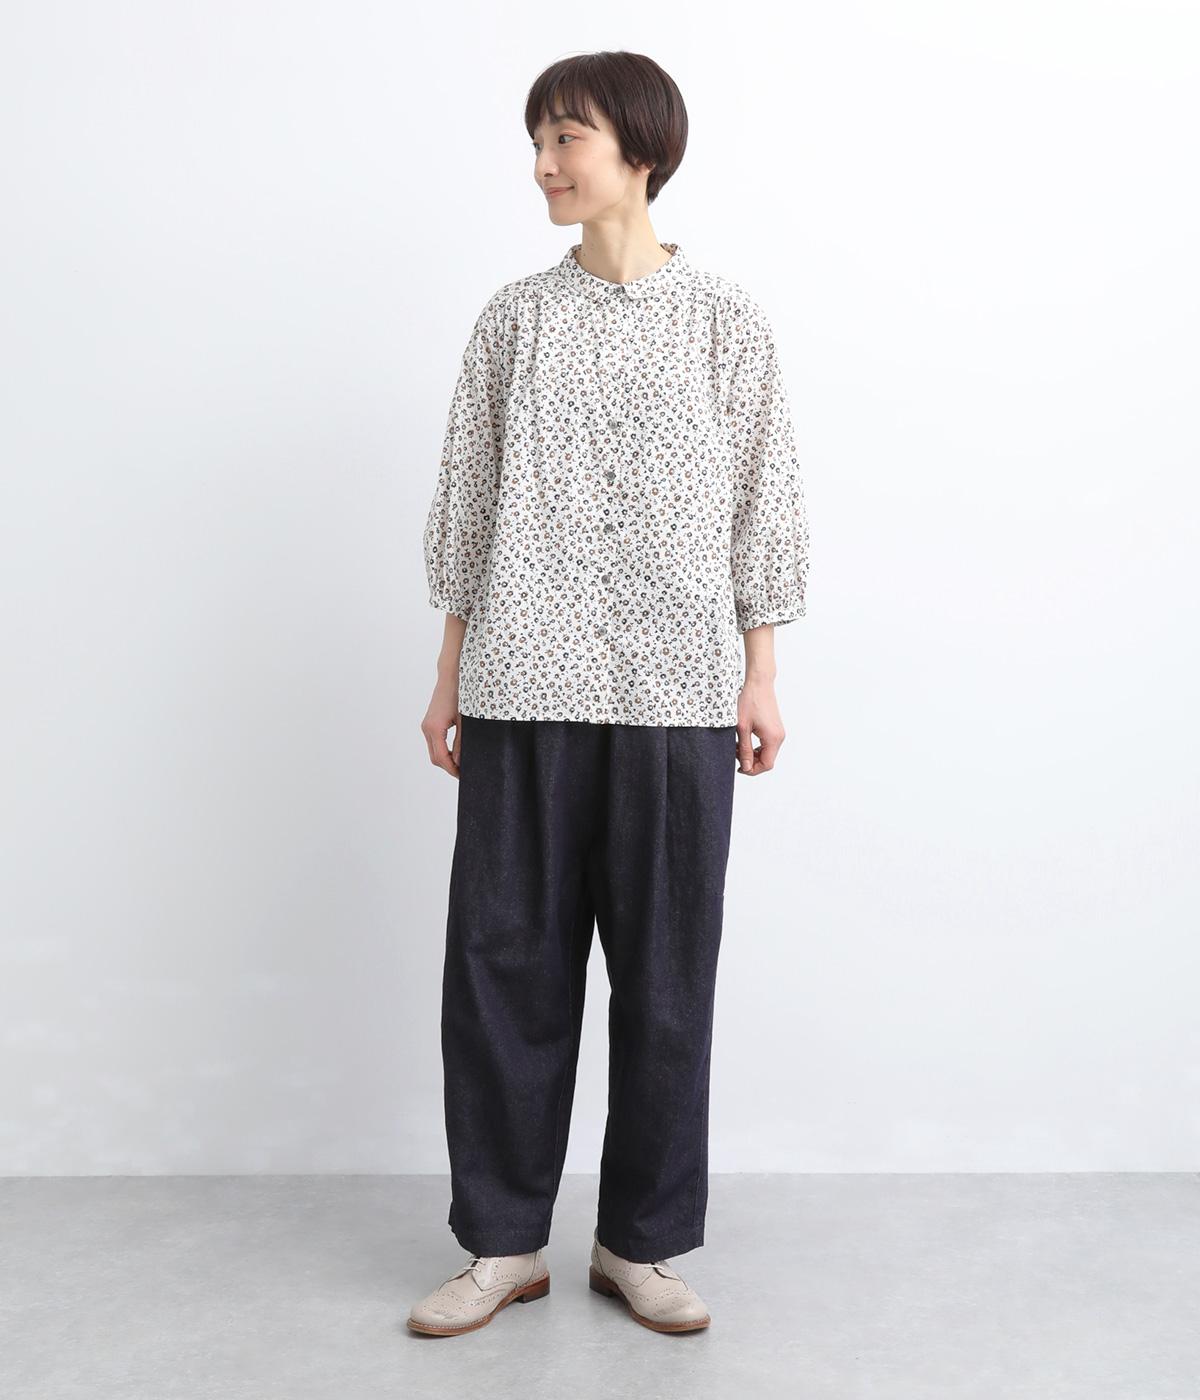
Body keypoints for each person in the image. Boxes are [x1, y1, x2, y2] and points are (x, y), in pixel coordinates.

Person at [409, 50, 809, 1338]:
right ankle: (504, 1243)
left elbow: (763, 502)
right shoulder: (513, 322)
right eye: (536, 141)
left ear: (639, 149)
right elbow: (468, 502)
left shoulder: (725, 321)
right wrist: (448, 674)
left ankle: (642, 1242)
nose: (543, 164)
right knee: (502, 968)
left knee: (667, 980)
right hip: (521, 686)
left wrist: (759, 675)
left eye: (564, 137)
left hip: (678, 696)